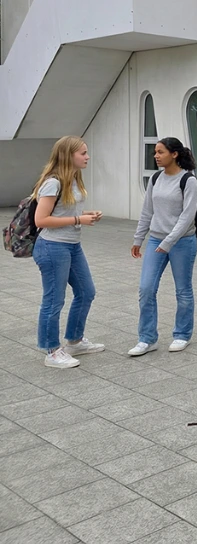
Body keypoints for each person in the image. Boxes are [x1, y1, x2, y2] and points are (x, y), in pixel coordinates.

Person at [31, 136, 104, 369]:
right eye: (83, 153)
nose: (87, 157)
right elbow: (40, 219)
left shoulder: (73, 178)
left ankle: (74, 340)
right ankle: (51, 350)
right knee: (54, 300)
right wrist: (77, 219)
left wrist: (86, 214)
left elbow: (65, 210)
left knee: (86, 292)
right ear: (68, 155)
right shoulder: (53, 182)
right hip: (52, 247)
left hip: (72, 245)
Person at [128, 137, 197, 356]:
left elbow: (187, 217)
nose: (156, 156)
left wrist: (169, 242)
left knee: (183, 290)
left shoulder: (189, 181)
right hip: (155, 240)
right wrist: (138, 239)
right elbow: (147, 211)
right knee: (146, 288)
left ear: (174, 154)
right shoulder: (156, 178)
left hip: (182, 242)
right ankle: (147, 339)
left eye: (160, 152)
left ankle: (182, 335)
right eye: (155, 152)